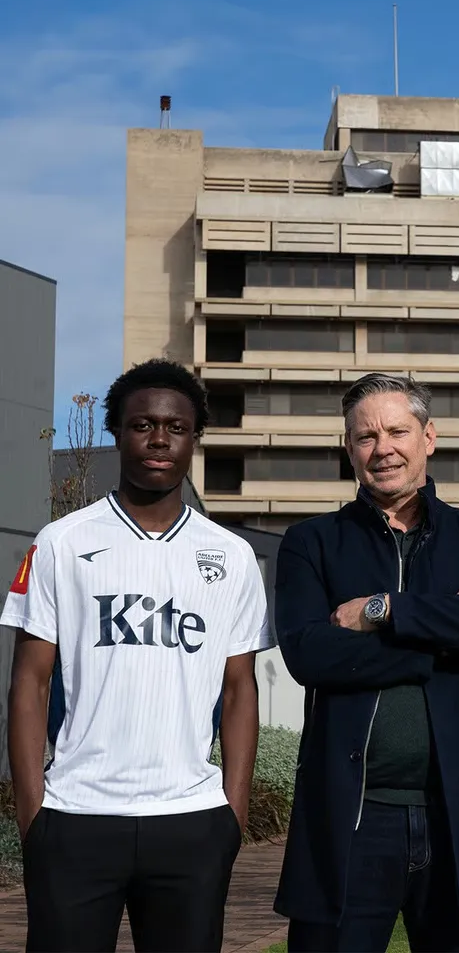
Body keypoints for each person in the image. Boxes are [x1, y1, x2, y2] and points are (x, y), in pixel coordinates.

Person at [3, 359, 274, 953]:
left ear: (194, 438)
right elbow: (29, 682)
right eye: (142, 424)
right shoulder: (62, 542)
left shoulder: (230, 557)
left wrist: (231, 813)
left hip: (192, 822)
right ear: (116, 432)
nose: (159, 439)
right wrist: (33, 818)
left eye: (175, 428)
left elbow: (239, 691)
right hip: (76, 817)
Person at [273, 372, 459, 953]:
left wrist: (384, 609)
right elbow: (309, 656)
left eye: (397, 430)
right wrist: (446, 636)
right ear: (348, 448)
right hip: (353, 816)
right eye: (366, 436)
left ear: (429, 437)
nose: (383, 448)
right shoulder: (311, 542)